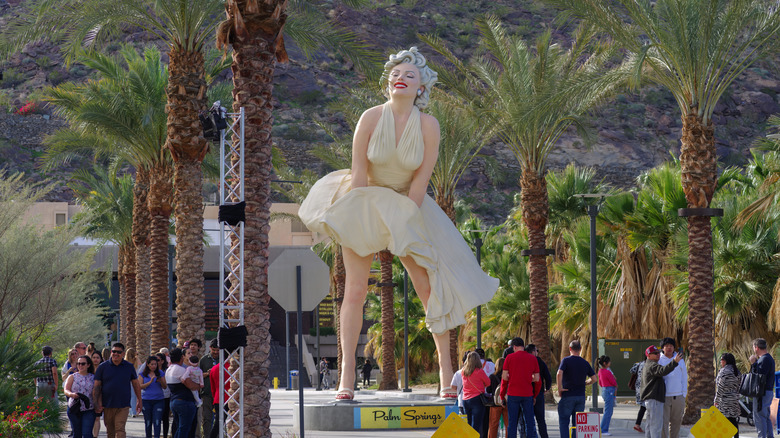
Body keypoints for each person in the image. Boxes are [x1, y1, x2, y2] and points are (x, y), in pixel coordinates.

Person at [298, 46, 499, 400]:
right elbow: (359, 173)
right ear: (387, 84)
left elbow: (421, 181)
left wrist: (403, 221)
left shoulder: (428, 125)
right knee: (355, 291)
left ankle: (445, 371)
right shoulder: (371, 117)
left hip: (410, 205)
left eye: (409, 75)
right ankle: (346, 376)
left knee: (427, 287)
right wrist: (358, 219)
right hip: (365, 200)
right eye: (395, 75)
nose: (400, 79)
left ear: (422, 86)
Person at [93, 342, 143, 438]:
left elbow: (136, 384)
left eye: (118, 352)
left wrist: (139, 400)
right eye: (114, 351)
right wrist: (96, 403)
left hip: (123, 405)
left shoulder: (129, 367)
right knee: (110, 432)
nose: (115, 354)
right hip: (107, 404)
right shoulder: (102, 367)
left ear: (123, 354)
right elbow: (96, 386)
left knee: (120, 429)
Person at [501, 337, 540, 438]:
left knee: (512, 422)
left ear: (514, 347)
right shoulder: (533, 358)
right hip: (527, 394)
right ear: (523, 346)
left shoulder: (509, 358)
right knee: (529, 422)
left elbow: (504, 378)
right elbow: (537, 379)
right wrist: (535, 395)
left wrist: (502, 395)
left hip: (513, 394)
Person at [640, 345, 682, 438]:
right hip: (654, 399)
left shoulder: (648, 364)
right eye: (655, 353)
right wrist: (674, 362)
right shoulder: (652, 365)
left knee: (650, 426)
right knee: (656, 427)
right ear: (648, 355)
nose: (658, 355)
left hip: (650, 400)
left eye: (658, 353)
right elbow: (662, 371)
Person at [557, 340, 597, 438]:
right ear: (580, 349)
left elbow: (559, 373)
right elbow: (594, 379)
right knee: (577, 424)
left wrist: (560, 388)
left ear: (570, 349)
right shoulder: (585, 362)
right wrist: (585, 383)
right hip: (580, 396)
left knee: (564, 422)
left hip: (568, 395)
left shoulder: (566, 360)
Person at [166, 348, 200, 438]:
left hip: (174, 401)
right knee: (184, 429)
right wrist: (199, 385)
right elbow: (191, 385)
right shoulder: (180, 370)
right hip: (184, 402)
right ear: (181, 358)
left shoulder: (169, 369)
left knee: (180, 428)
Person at [658, 338, 686, 438]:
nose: (669, 348)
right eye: (666, 345)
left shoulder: (680, 360)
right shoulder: (659, 360)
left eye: (671, 346)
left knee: (676, 422)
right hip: (664, 396)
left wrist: (683, 394)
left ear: (674, 348)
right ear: (662, 348)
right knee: (663, 423)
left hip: (678, 396)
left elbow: (684, 377)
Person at [64, 355, 96, 438]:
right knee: (77, 433)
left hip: (88, 408)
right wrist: (71, 394)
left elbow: (97, 392)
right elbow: (66, 390)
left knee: (87, 434)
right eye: (78, 364)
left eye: (83, 364)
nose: (80, 366)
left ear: (88, 365)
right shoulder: (72, 377)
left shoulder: (93, 378)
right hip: (74, 408)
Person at [749, 337, 775, 438]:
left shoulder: (763, 360)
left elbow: (758, 377)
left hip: (761, 393)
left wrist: (754, 364)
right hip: (767, 392)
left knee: (759, 418)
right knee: (765, 417)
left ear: (756, 348)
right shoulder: (769, 359)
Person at [461, 351, 491, 434]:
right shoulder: (479, 371)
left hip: (465, 400)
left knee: (469, 423)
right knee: (476, 425)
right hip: (477, 399)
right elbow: (488, 382)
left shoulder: (463, 371)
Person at [526, 344, 551, 438]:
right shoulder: (540, 361)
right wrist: (547, 388)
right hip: (539, 393)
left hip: (527, 393)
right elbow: (548, 377)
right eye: (537, 351)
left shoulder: (525, 361)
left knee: (528, 419)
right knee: (541, 419)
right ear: (533, 351)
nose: (537, 353)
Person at [140, 356, 167, 438]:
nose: (154, 366)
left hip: (158, 400)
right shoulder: (142, 374)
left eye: (155, 364)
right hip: (146, 400)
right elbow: (140, 386)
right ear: (148, 364)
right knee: (148, 422)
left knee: (157, 421)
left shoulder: (160, 373)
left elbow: (165, 387)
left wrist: (161, 381)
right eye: (152, 364)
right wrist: (150, 381)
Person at [714, 353, 740, 438]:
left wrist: (716, 400)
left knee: (724, 421)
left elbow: (720, 387)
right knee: (733, 420)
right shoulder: (737, 371)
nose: (721, 362)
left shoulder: (724, 371)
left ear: (725, 361)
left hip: (725, 400)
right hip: (734, 399)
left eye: (721, 360)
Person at [199, 339, 220, 438]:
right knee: (207, 418)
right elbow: (198, 375)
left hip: (220, 394)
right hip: (207, 393)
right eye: (214, 350)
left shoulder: (225, 358)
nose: (216, 352)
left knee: (220, 418)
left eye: (218, 350)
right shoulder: (204, 360)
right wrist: (208, 373)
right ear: (210, 348)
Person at [208, 358, 230, 438]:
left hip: (218, 398)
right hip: (231, 398)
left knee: (218, 423)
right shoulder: (233, 368)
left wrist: (215, 397)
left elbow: (212, 386)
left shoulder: (214, 368)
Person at [488, 357, 508, 438]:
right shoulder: (508, 376)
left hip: (495, 403)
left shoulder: (492, 376)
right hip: (506, 402)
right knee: (508, 425)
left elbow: (488, 390)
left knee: (493, 425)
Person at [598, 355, 617, 436]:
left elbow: (600, 383)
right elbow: (614, 382)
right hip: (610, 391)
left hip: (604, 390)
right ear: (605, 363)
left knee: (608, 411)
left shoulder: (600, 371)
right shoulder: (607, 372)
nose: (610, 363)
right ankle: (604, 429)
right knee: (608, 412)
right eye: (609, 362)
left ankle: (603, 429)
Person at [156, 352, 172, 438]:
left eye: (158, 360)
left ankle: (165, 435)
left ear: (162, 361)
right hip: (155, 396)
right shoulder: (151, 370)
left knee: (165, 418)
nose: (156, 361)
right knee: (156, 418)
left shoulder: (167, 370)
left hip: (165, 396)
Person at [629, 360, 646, 433]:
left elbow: (631, 370)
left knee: (643, 407)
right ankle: (639, 424)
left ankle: (637, 424)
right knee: (648, 407)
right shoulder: (651, 364)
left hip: (639, 388)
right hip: (646, 388)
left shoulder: (639, 364)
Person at [124, 348, 141, 417]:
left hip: (126, 381)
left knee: (127, 396)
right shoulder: (136, 361)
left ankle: (128, 411)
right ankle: (133, 411)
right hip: (134, 380)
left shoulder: (125, 362)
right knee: (134, 396)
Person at [91, 352, 104, 438]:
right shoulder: (88, 369)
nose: (95, 359)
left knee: (97, 417)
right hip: (88, 396)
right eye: (94, 357)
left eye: (97, 357)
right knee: (90, 418)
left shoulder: (103, 369)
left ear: (100, 359)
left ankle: (95, 436)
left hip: (100, 396)